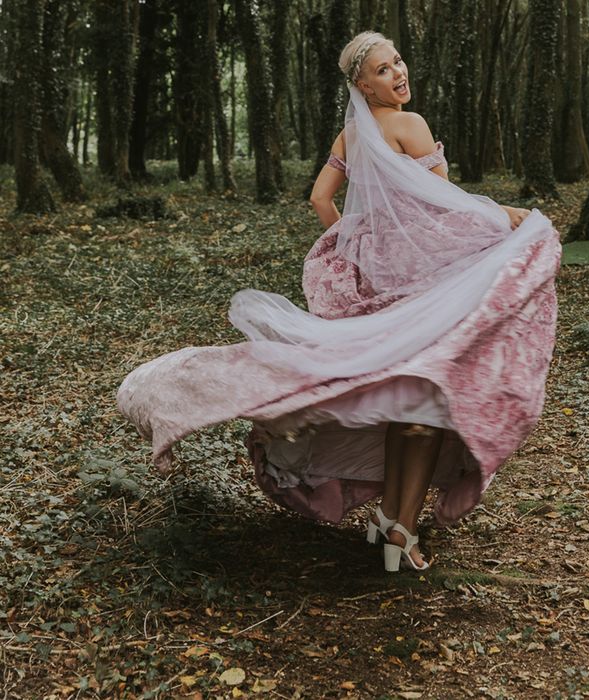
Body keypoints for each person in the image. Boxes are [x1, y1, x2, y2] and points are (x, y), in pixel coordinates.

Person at [117, 31, 561, 573]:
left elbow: (319, 199)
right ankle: (399, 526)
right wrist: (505, 217)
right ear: (362, 85)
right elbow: (448, 210)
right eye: (381, 70)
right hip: (423, 282)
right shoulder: (411, 125)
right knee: (419, 399)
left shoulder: (351, 135)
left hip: (376, 283)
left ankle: (394, 524)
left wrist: (353, 242)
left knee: (406, 398)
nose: (397, 73)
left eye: (397, 62)